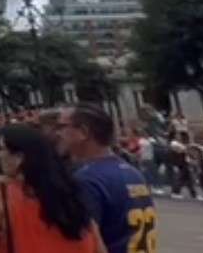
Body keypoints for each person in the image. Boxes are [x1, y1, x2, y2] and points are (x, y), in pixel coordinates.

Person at [0, 125, 106, 253]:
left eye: (1, 149)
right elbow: (98, 246)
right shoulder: (72, 191)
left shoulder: (2, 193)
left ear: (19, 157)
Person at [57, 104, 158, 253]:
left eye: (63, 126)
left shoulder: (87, 180)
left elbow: (91, 243)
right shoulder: (132, 173)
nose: (59, 133)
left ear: (84, 132)